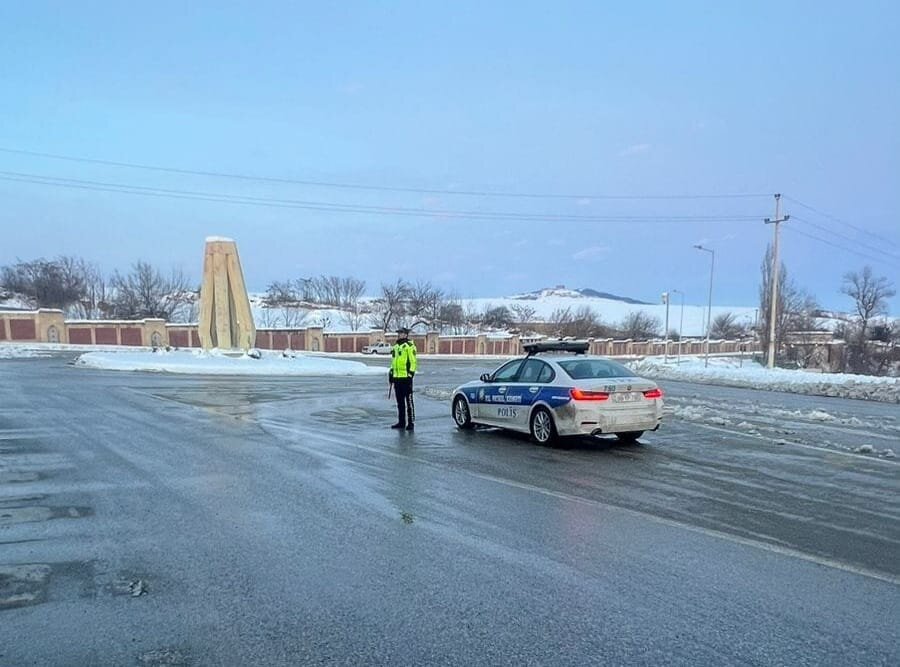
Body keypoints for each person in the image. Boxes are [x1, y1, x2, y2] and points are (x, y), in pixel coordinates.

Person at [389, 327, 418, 430]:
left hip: (406, 378)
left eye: (401, 333)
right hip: (397, 378)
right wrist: (391, 373)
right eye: (398, 333)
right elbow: (394, 361)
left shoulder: (409, 346)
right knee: (400, 402)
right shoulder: (396, 347)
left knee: (409, 401)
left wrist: (410, 374)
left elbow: (413, 362)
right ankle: (401, 422)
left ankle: (411, 423)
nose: (399, 335)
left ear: (406, 334)